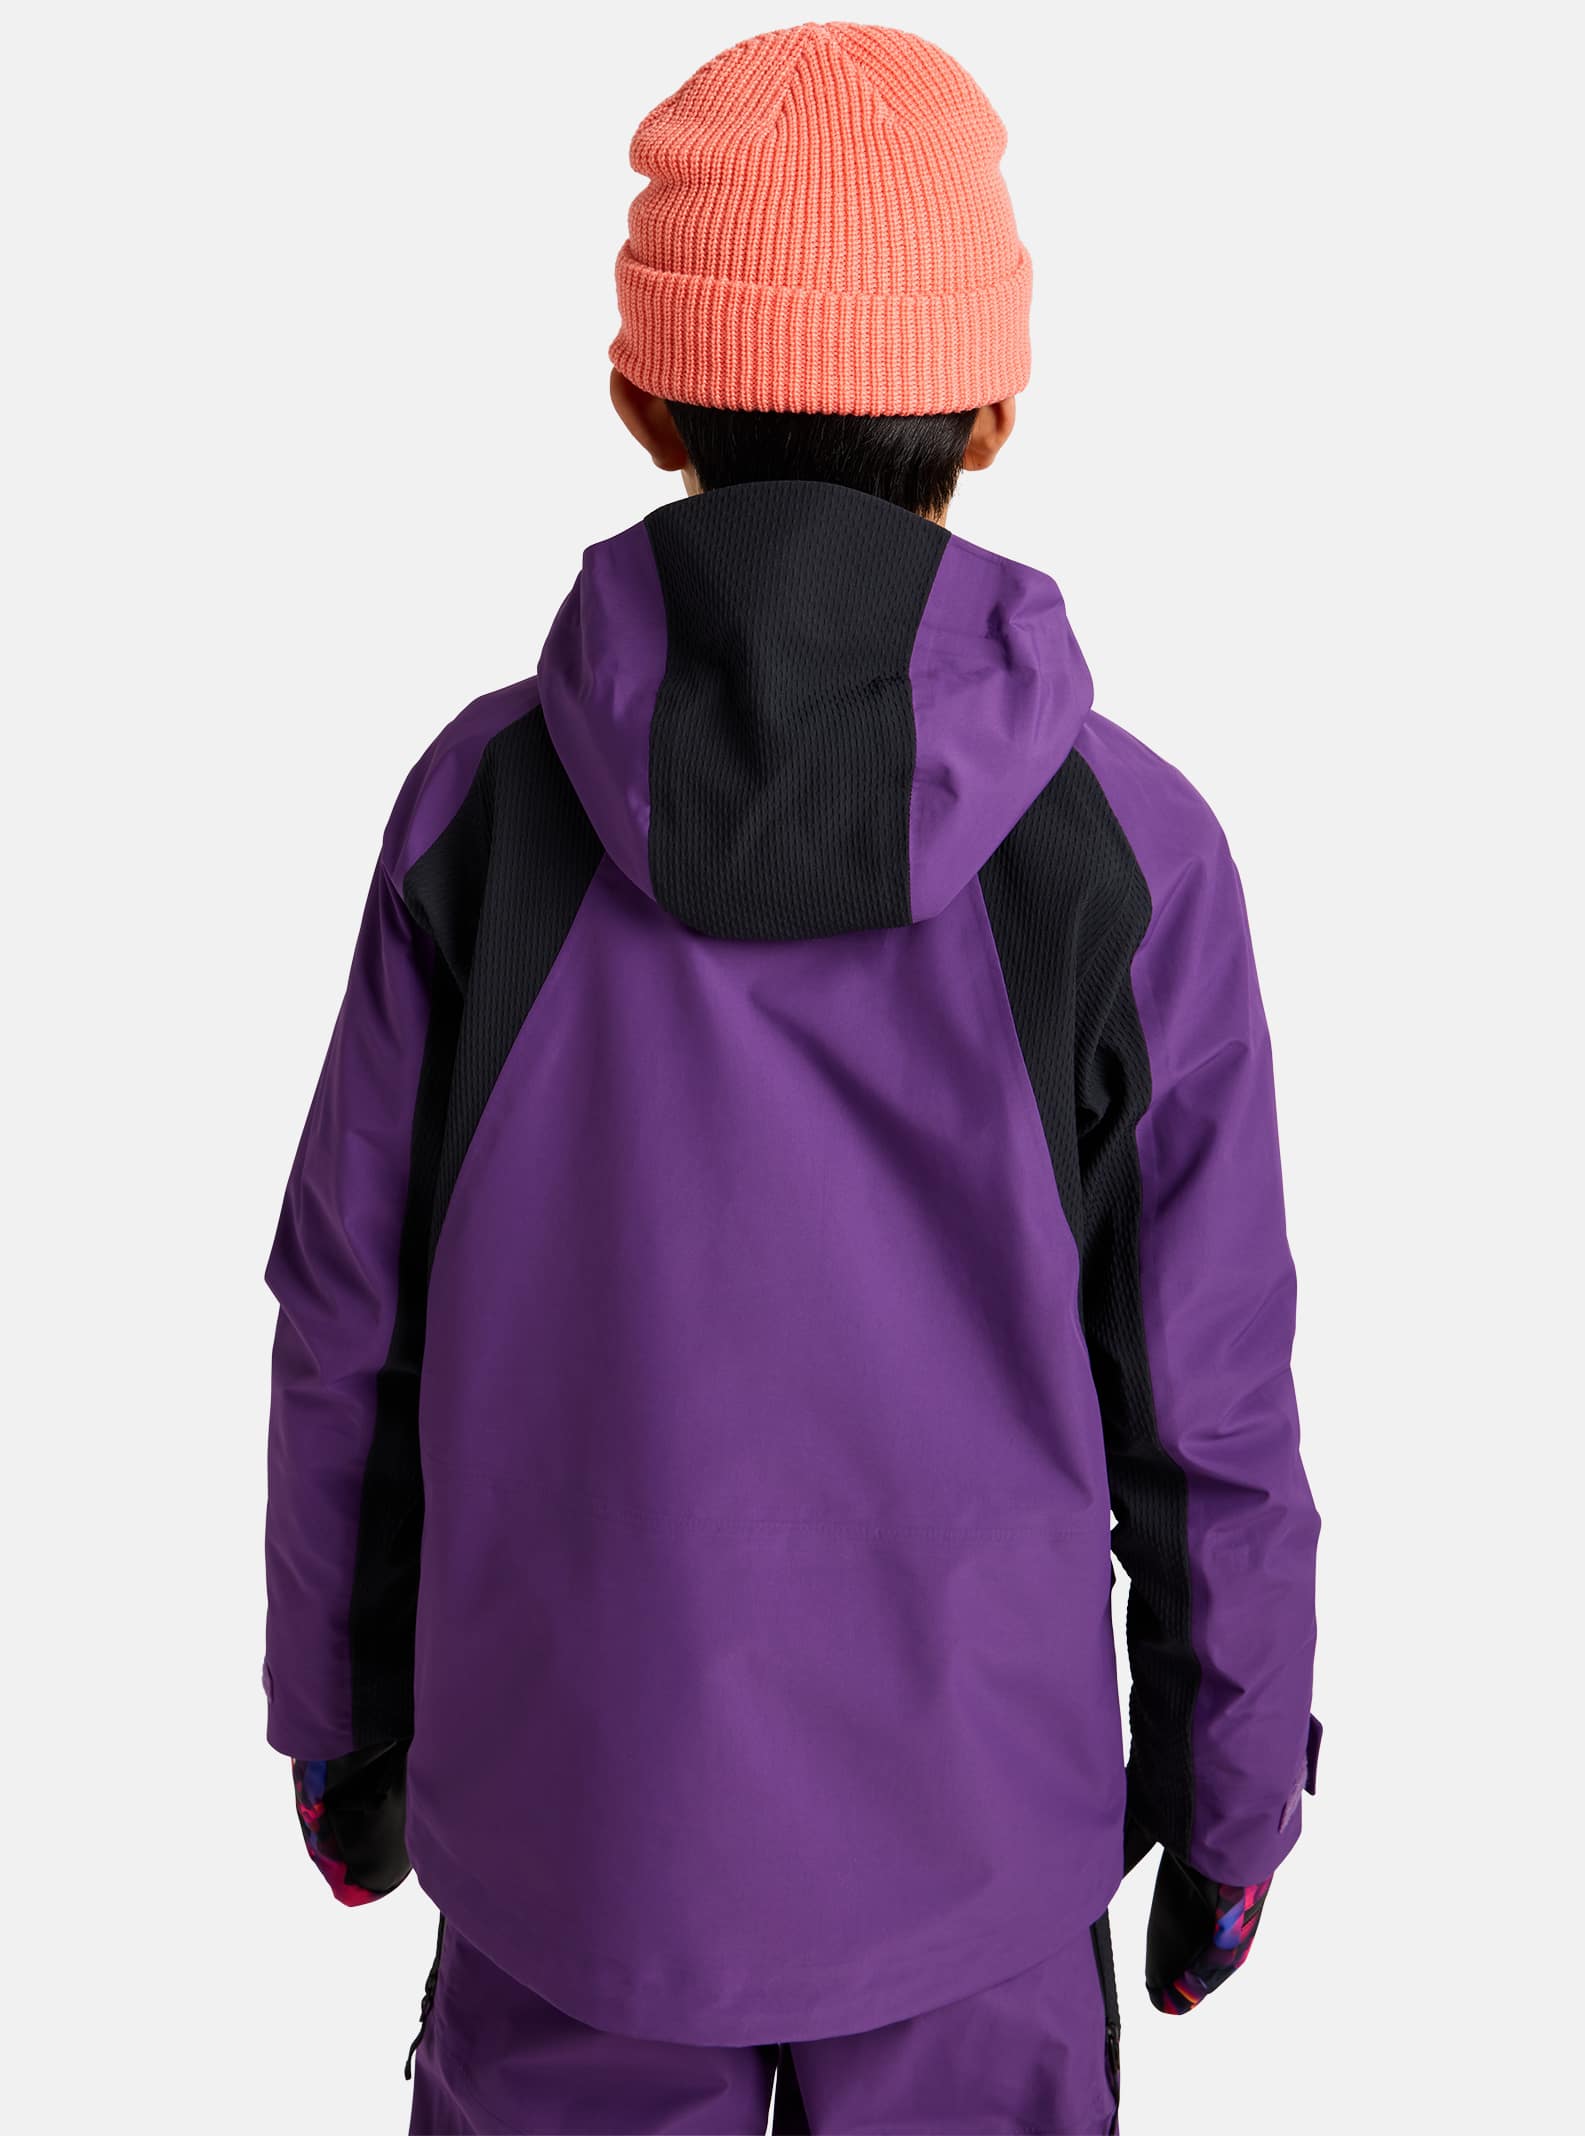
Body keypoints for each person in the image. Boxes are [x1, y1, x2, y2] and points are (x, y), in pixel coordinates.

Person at [263, 23, 1322, 2134]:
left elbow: (347, 1328)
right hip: (976, 1870)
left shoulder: (480, 815)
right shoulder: (1126, 851)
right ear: (994, 408)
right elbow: (1206, 1401)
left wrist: (340, 1728)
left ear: (641, 400)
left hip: (570, 1844)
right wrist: (1230, 1810)